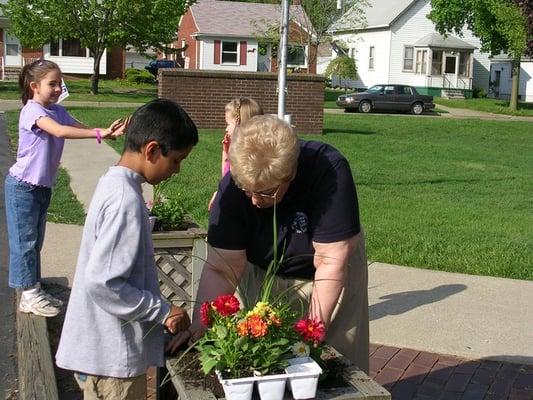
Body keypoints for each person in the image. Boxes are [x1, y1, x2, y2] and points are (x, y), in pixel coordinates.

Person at [169, 115, 370, 374]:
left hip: (329, 274)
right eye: (247, 190)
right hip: (264, 274)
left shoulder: (328, 170)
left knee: (335, 366)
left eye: (265, 192)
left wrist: (312, 333)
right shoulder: (233, 189)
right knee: (265, 359)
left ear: (292, 173)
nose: (253, 201)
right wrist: (201, 324)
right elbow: (222, 268)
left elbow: (330, 261)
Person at [56, 99, 197, 399]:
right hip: (113, 362)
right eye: (176, 160)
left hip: (106, 353)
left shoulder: (115, 184)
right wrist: (162, 310)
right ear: (152, 150)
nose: (178, 170)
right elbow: (104, 283)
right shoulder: (125, 201)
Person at [5, 59, 126, 318]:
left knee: (35, 242)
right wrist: (100, 134)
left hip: (41, 187)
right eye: (53, 84)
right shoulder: (32, 110)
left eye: (60, 83)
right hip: (22, 187)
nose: (59, 88)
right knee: (24, 243)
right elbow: (60, 132)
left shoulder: (56, 110)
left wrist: (104, 132)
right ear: (34, 86)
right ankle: (27, 295)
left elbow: (76, 125)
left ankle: (33, 287)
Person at [208, 97, 263, 211]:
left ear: (239, 124)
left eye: (228, 124)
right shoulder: (235, 149)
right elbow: (225, 178)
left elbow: (233, 183)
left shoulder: (251, 156)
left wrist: (220, 194)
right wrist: (226, 152)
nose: (226, 129)